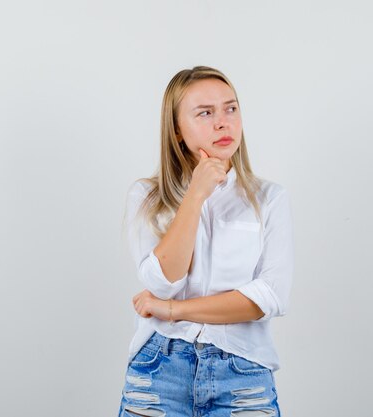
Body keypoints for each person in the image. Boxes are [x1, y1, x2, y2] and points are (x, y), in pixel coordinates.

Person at [117, 66, 294, 417]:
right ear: (178, 131)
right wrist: (195, 196)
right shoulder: (147, 196)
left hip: (243, 374)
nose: (223, 123)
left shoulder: (269, 198)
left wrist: (173, 311)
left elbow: (268, 297)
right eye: (205, 113)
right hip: (159, 370)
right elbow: (162, 282)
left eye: (231, 108)